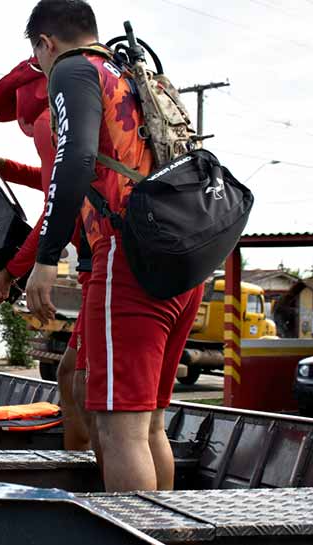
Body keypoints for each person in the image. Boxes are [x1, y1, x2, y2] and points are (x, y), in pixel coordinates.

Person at [23, 0, 204, 492]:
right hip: (183, 254)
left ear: (45, 43)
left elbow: (75, 159)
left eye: (36, 54)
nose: (39, 65)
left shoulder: (73, 69)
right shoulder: (128, 72)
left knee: (119, 430)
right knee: (148, 427)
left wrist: (45, 258)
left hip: (128, 255)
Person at [0, 58, 93, 451]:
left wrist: (12, 270)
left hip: (105, 267)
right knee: (70, 377)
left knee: (85, 386)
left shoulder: (48, 121)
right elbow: (52, 179)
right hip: (106, 265)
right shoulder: (76, 110)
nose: (19, 123)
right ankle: (80, 466)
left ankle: (88, 474)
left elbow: (54, 206)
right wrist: (4, 166)